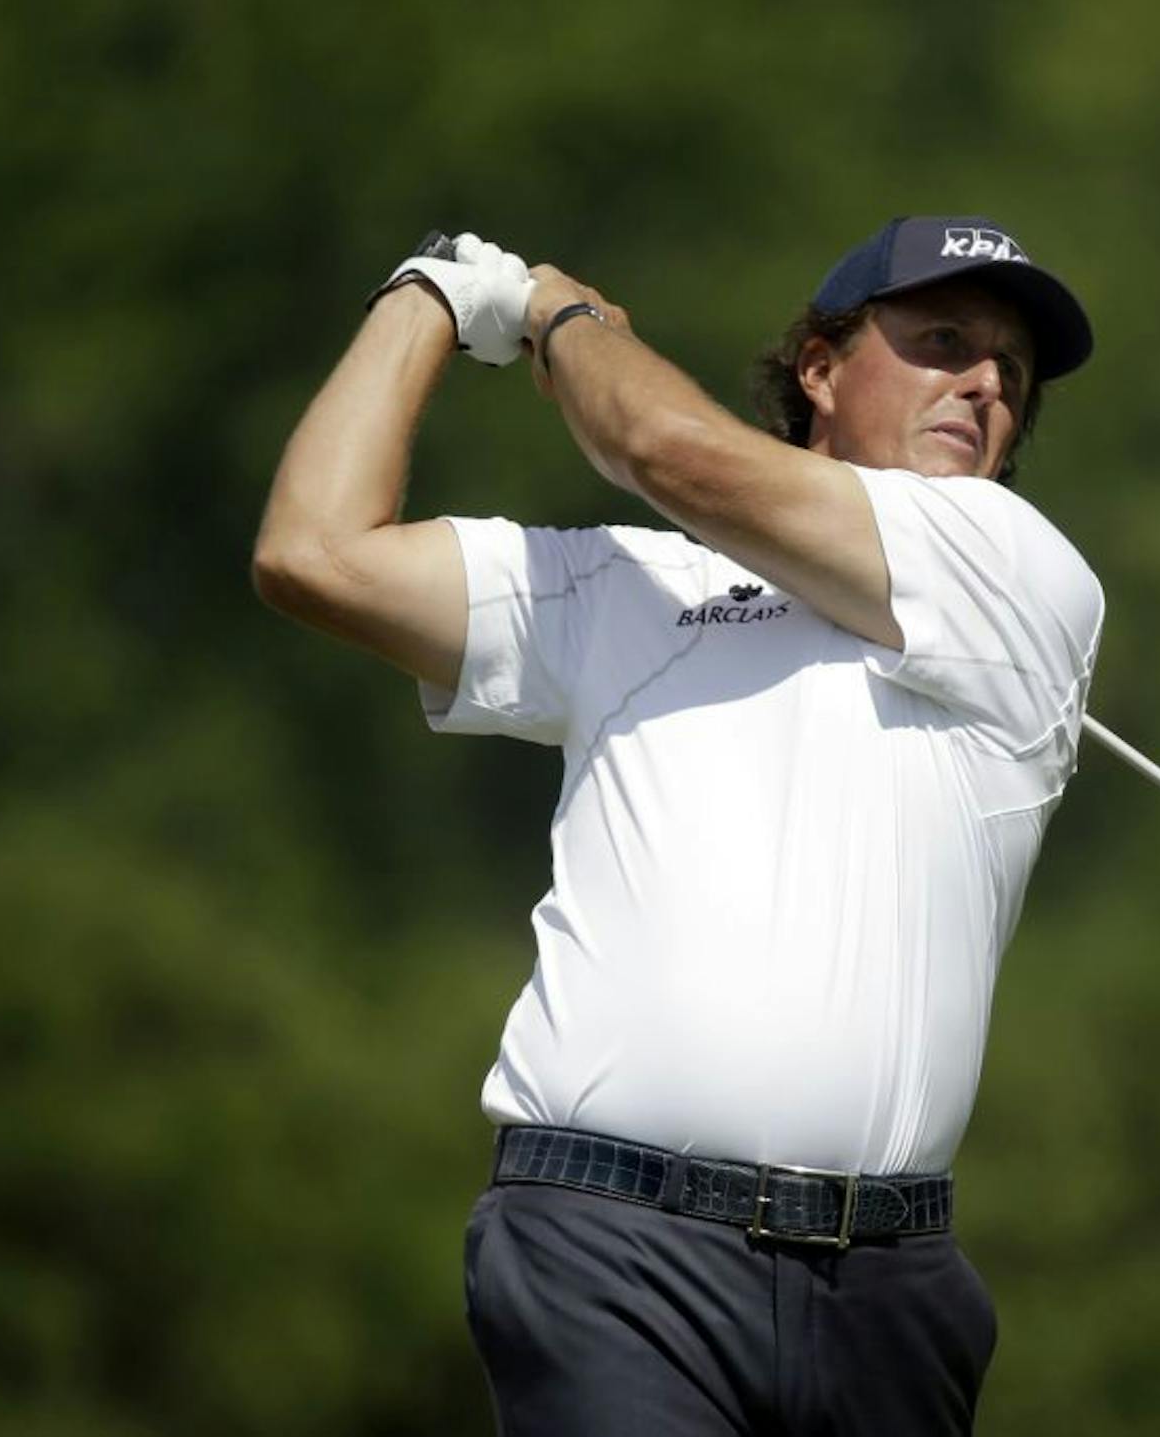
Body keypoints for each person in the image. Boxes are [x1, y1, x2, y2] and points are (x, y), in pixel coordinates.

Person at [252, 216, 1103, 1435]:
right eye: (943, 341)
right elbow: (313, 552)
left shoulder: (1018, 571)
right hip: (611, 1249)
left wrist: (557, 314)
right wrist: (427, 292)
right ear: (819, 368)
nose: (982, 381)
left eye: (1009, 374)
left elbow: (659, 441)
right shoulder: (635, 586)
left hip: (889, 1290)